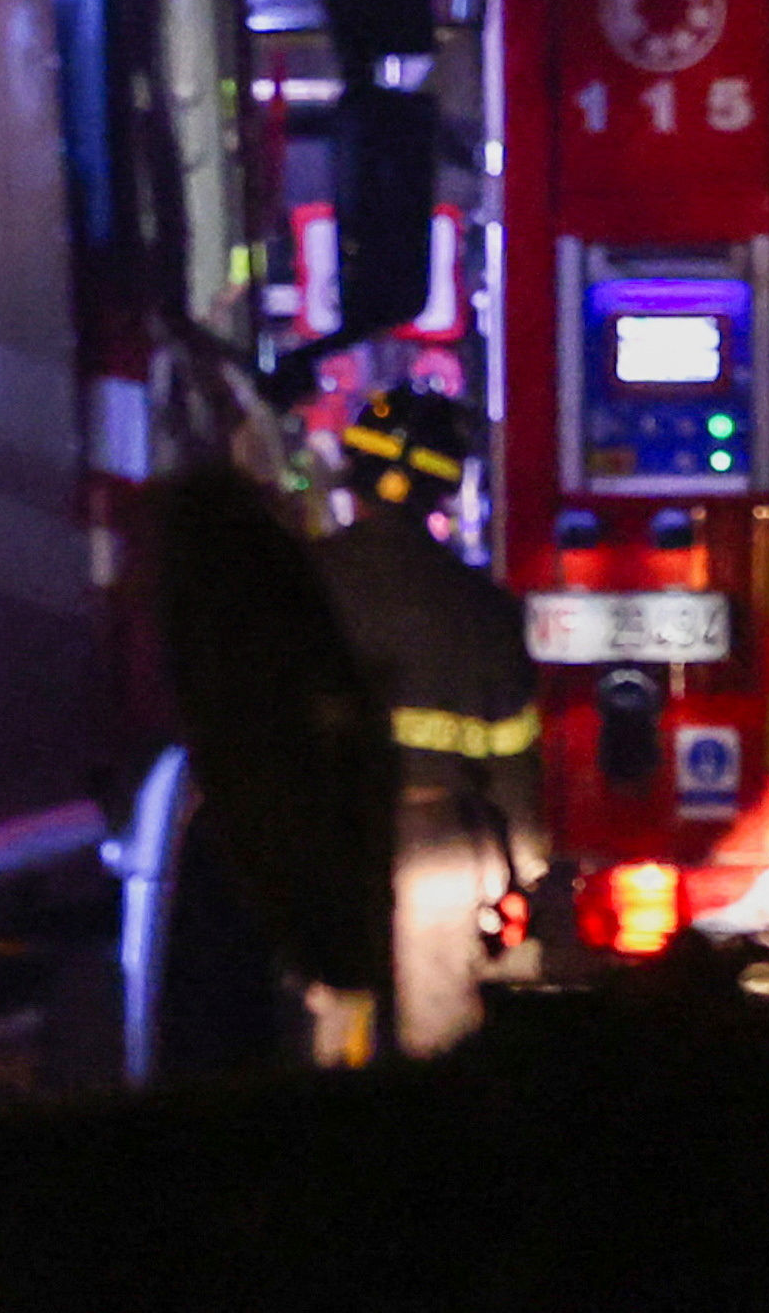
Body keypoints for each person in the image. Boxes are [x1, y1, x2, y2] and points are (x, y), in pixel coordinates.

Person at [307, 388, 540, 1052]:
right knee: (440, 1048)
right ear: (444, 487)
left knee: (335, 1038)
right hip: (441, 852)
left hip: (331, 849)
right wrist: (521, 868)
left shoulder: (304, 585)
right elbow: (513, 758)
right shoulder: (482, 608)